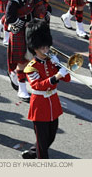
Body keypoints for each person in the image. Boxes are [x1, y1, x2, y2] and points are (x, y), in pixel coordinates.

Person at [21, 19, 71, 159]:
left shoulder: (51, 61)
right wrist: (56, 77)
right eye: (42, 48)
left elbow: (67, 79)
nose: (46, 50)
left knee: (50, 138)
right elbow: (37, 85)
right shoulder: (31, 66)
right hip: (40, 105)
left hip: (53, 103)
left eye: (47, 47)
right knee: (43, 146)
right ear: (34, 48)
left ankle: (32, 152)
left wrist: (60, 66)